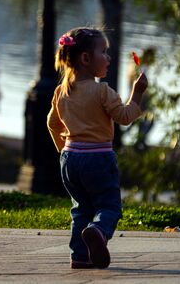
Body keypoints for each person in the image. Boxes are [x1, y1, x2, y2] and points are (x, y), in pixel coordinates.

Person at [47, 27, 148, 269]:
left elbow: (52, 123)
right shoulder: (102, 91)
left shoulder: (61, 91)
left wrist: (63, 149)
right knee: (108, 205)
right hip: (98, 158)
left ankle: (80, 256)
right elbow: (124, 117)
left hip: (70, 159)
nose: (109, 57)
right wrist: (137, 94)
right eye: (103, 52)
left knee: (81, 208)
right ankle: (99, 231)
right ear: (85, 59)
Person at [127, 47, 156, 150]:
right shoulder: (141, 67)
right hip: (142, 98)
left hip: (139, 97)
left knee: (140, 121)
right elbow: (139, 83)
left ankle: (139, 142)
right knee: (150, 120)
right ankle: (140, 141)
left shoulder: (138, 65)